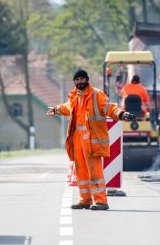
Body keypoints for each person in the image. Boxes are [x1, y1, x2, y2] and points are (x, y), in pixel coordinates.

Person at [46, 68, 133, 211]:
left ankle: (101, 201)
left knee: (95, 172)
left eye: (82, 79)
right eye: (77, 80)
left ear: (87, 80)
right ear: (74, 82)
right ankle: (85, 200)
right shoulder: (74, 96)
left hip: (92, 141)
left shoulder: (96, 95)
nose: (80, 82)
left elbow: (109, 108)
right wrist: (56, 109)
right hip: (78, 141)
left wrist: (121, 114)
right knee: (81, 173)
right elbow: (68, 108)